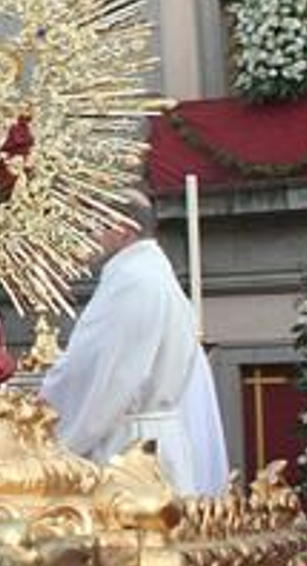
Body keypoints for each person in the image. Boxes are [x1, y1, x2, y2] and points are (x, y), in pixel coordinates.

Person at [39, 189, 230, 496]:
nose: (87, 238)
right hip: (155, 441)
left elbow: (98, 374)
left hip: (128, 452)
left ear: (123, 229)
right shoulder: (152, 274)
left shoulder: (132, 281)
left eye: (92, 227)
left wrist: (42, 420)